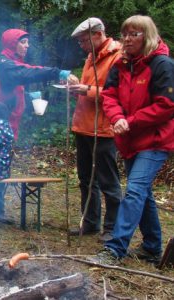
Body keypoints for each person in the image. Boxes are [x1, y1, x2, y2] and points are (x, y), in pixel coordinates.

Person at [93, 15, 174, 265]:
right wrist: (117, 117)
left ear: (147, 36)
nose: (127, 39)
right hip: (128, 140)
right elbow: (109, 95)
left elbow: (167, 105)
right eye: (125, 34)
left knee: (135, 191)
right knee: (144, 194)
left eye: (134, 34)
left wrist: (131, 120)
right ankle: (151, 248)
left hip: (156, 141)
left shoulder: (162, 65)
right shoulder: (122, 64)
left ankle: (115, 248)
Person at [68, 18, 123, 242]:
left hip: (104, 128)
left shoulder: (117, 56)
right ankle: (90, 222)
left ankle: (112, 228)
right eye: (80, 41)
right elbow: (90, 90)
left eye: (84, 40)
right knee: (86, 180)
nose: (81, 45)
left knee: (108, 182)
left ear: (98, 34)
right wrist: (76, 90)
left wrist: (87, 90)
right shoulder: (91, 56)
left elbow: (115, 93)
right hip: (84, 126)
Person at [0, 28, 78, 140]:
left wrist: (29, 97)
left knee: (4, 155)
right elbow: (29, 72)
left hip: (7, 120)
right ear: (12, 44)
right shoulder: (5, 65)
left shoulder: (12, 64)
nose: (27, 46)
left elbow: (8, 92)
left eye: (27, 42)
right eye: (23, 42)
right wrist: (58, 73)